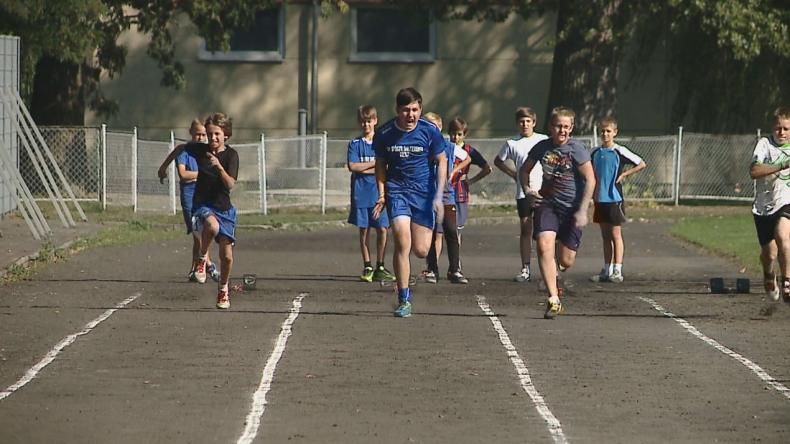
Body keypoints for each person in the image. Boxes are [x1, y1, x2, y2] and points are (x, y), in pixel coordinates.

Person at [372, 87, 447, 318]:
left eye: (415, 110)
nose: (410, 115)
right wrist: (382, 194)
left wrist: (438, 195)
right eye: (406, 110)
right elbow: (380, 166)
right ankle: (403, 298)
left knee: (422, 250)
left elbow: (442, 160)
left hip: (423, 195)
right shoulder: (384, 133)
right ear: (397, 110)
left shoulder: (429, 131)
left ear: (420, 109)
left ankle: (411, 276)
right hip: (398, 192)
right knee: (402, 242)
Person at [519, 106, 595, 319]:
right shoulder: (542, 147)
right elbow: (524, 170)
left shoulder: (576, 150)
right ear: (550, 127)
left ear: (571, 128)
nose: (562, 131)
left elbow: (590, 179)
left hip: (572, 208)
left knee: (567, 260)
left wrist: (583, 210)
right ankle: (553, 299)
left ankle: (554, 271)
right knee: (544, 246)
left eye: (566, 127)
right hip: (547, 203)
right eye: (558, 126)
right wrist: (528, 191)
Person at [158, 113, 239, 309]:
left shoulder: (231, 155)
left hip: (225, 209)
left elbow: (230, 184)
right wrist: (163, 168)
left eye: (217, 134)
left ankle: (223, 289)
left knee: (226, 257)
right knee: (211, 225)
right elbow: (179, 149)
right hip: (203, 205)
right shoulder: (199, 150)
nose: (212, 138)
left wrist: (218, 166)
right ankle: (202, 258)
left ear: (225, 134)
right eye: (209, 134)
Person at [157, 119, 220, 283]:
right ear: (191, 133)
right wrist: (163, 168)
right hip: (190, 194)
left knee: (204, 231)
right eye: (197, 134)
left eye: (203, 135)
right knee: (197, 233)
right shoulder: (186, 151)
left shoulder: (207, 151)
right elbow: (184, 175)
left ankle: (196, 268)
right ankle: (208, 265)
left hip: (205, 193)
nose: (201, 138)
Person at [589, 117, 646, 283]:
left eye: (608, 131)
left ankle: (617, 270)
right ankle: (606, 269)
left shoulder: (619, 151)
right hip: (600, 199)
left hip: (614, 198)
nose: (605, 134)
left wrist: (624, 174)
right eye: (603, 131)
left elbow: (641, 163)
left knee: (616, 235)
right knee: (605, 236)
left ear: (615, 132)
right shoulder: (594, 152)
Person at [494, 107, 549, 282]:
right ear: (517, 124)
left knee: (545, 230)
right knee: (526, 228)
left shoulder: (543, 140)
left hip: (543, 190)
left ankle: (549, 266)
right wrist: (513, 174)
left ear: (534, 122)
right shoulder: (512, 143)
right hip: (524, 192)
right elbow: (498, 161)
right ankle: (525, 267)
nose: (525, 124)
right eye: (521, 121)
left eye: (528, 121)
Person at [347, 105, 396, 283]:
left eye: (369, 121)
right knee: (364, 230)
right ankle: (367, 265)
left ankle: (380, 266)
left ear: (375, 121)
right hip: (361, 194)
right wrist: (376, 166)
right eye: (363, 122)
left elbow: (388, 167)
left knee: (383, 229)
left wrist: (376, 167)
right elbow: (353, 166)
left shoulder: (382, 143)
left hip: (379, 194)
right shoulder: (355, 144)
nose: (366, 125)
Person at [422, 112, 469, 284]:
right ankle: (432, 269)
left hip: (447, 194)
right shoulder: (422, 145)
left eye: (433, 125)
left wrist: (454, 171)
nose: (430, 129)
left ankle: (454, 269)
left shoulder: (448, 146)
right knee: (431, 232)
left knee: (451, 229)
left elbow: (467, 157)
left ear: (440, 127)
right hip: (427, 194)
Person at [750, 106, 790, 302]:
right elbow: (754, 171)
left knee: (783, 236)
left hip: (787, 201)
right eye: (778, 128)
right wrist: (781, 165)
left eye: (786, 128)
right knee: (770, 253)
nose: (781, 132)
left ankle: (787, 282)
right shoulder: (764, 144)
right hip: (764, 206)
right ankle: (768, 273)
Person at [448, 116, 491, 267]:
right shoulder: (445, 148)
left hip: (460, 191)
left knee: (457, 229)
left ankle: (456, 262)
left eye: (459, 134)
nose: (456, 137)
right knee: (441, 230)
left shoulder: (469, 151)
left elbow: (487, 168)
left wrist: (471, 180)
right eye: (453, 133)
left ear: (464, 135)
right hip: (445, 191)